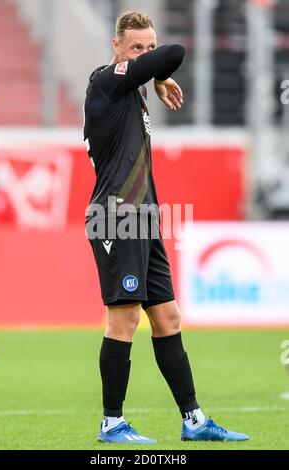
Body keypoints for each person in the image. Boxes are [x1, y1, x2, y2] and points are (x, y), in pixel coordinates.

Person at [83, 11, 249, 444]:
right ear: (116, 47)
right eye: (137, 48)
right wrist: (157, 73)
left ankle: (193, 421)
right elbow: (175, 52)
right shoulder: (105, 80)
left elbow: (167, 54)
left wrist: (152, 76)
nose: (146, 54)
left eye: (149, 47)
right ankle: (111, 423)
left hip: (143, 218)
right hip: (116, 217)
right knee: (123, 321)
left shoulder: (130, 94)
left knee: (168, 317)